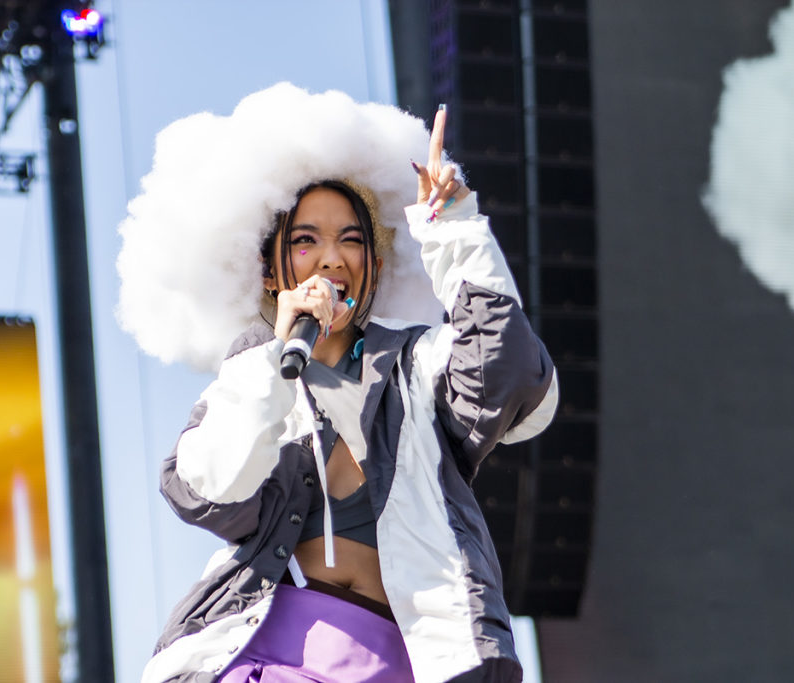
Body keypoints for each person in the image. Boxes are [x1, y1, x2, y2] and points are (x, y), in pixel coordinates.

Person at [117, 83, 558, 683]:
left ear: (374, 261)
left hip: (410, 657)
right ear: (272, 268)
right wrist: (276, 350)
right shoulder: (251, 373)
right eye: (305, 240)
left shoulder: (415, 363)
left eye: (352, 239)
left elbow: (507, 372)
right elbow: (209, 489)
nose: (331, 258)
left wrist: (453, 228)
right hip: (265, 653)